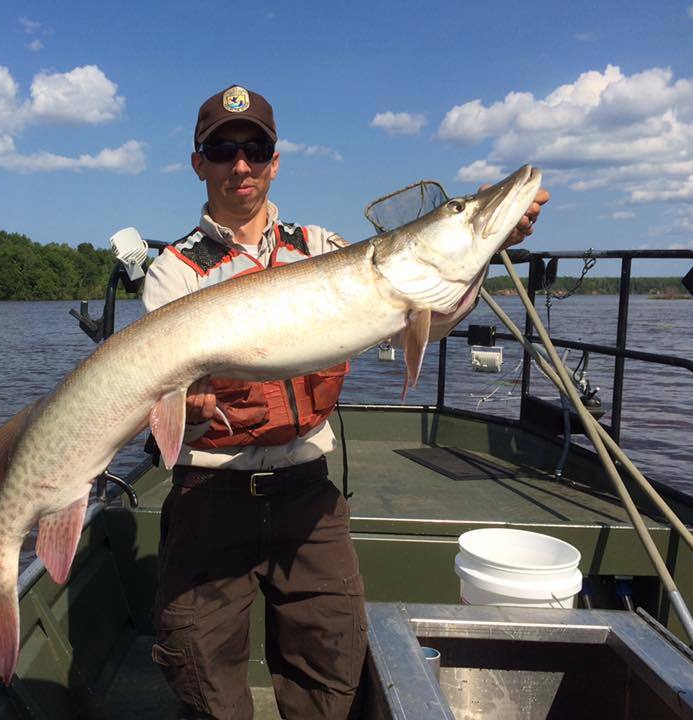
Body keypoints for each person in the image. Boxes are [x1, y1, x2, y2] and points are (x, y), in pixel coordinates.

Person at [141, 84, 549, 720]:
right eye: (223, 149)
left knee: (331, 668)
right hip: (210, 495)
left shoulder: (324, 248)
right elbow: (163, 387)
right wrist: (180, 406)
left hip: (307, 490)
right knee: (203, 672)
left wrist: (486, 245)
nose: (240, 164)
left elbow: (430, 315)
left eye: (256, 149)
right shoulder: (175, 270)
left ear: (275, 161)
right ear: (200, 162)